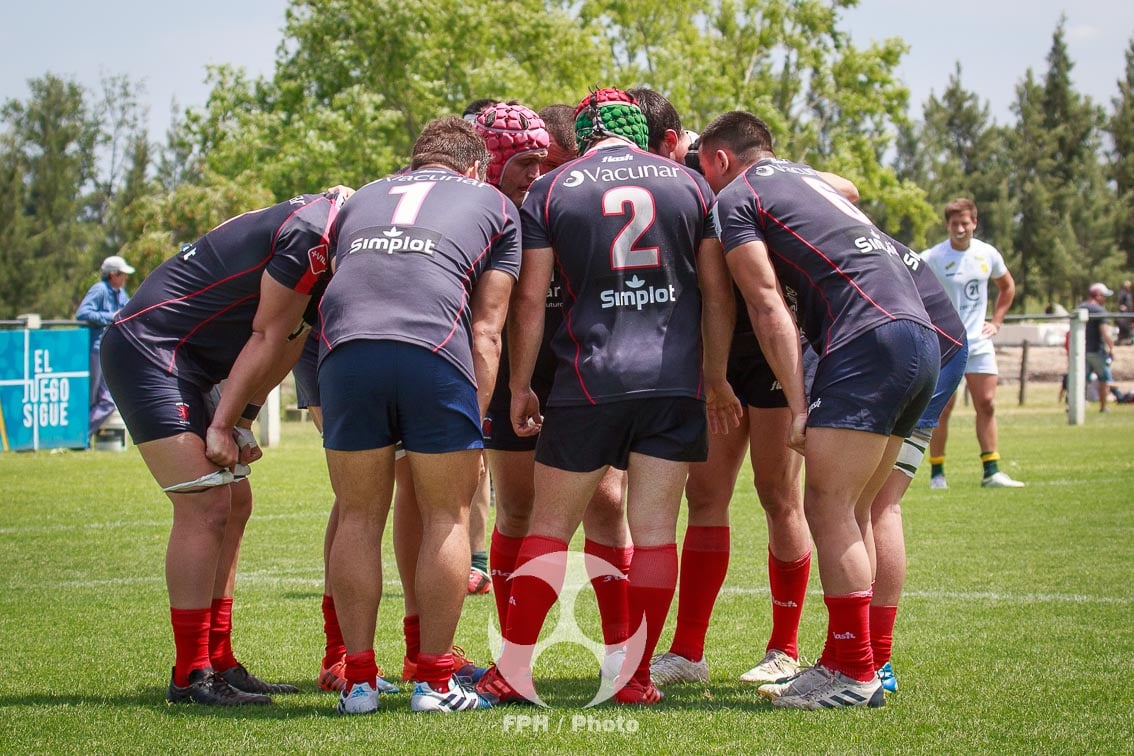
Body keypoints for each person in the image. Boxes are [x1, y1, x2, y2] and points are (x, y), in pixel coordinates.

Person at [474, 87, 740, 707]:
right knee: (653, 534)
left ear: (587, 132)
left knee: (548, 528)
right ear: (639, 130)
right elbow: (718, 294)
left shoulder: (554, 187)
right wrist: (716, 376)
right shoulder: (690, 185)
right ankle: (637, 677)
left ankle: (512, 670)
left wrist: (519, 385)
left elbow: (531, 299)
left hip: (591, 380)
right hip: (675, 382)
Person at [703, 110, 942, 710]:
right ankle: (841, 659)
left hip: (868, 339)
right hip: (920, 334)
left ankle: (856, 674)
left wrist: (800, 400)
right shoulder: (804, 177)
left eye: (702, 165)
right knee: (856, 507)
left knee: (827, 504)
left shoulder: (736, 195)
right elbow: (848, 190)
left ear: (721, 159)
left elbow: (763, 304)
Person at [101, 191, 346, 706]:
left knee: (236, 501)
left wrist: (245, 419)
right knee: (207, 502)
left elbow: (292, 339)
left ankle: (219, 659)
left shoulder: (335, 231)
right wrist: (223, 423)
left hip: (191, 356)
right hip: (154, 348)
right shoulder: (315, 234)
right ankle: (190, 674)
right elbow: (267, 332)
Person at [318, 116, 518, 715]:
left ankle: (358, 682)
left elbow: (348, 281)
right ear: (476, 166)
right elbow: (486, 330)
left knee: (357, 514)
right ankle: (433, 682)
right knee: (447, 517)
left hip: (346, 349)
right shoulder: (495, 202)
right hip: (432, 351)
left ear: (414, 161)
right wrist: (475, 422)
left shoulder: (361, 198)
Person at [630, 90, 829, 690]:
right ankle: (689, 651)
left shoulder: (717, 165)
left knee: (778, 494)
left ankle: (785, 648)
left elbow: (841, 188)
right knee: (706, 497)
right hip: (713, 356)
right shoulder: (659, 180)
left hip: (771, 349)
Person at [473, 101, 633, 655]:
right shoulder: (492, 211)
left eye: (555, 165)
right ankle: (512, 656)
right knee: (517, 506)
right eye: (535, 165)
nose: (545, 180)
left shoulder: (590, 198)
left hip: (582, 369)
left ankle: (620, 652)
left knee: (608, 502)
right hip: (519, 370)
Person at [920, 198, 1024, 488]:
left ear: (974, 223)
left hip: (979, 342)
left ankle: (991, 471)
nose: (961, 229)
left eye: (965, 223)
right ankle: (937, 474)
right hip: (946, 343)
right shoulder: (933, 256)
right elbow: (909, 283)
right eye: (955, 224)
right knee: (942, 408)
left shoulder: (987, 254)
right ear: (947, 226)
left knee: (988, 404)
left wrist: (998, 321)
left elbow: (1007, 286)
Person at [75, 255, 134, 438]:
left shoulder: (120, 293)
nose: (126, 278)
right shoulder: (99, 289)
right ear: (113, 275)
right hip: (95, 349)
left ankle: (80, 437)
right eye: (123, 274)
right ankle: (79, 436)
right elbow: (82, 313)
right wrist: (111, 316)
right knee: (94, 398)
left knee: (106, 400)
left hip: (109, 352)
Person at [1078, 282, 1116, 413]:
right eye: (1104, 296)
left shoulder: (1080, 307)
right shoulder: (1099, 311)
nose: (1105, 299)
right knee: (1104, 379)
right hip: (1097, 351)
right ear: (1098, 295)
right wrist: (1111, 347)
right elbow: (1105, 333)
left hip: (1081, 350)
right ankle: (1103, 407)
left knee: (1080, 379)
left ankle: (1075, 405)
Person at [1115, 280, 1132, 346]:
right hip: (1124, 313)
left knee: (1127, 327)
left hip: (1129, 313)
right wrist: (1121, 306)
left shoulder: (1128, 293)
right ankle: (1122, 340)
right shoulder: (1122, 293)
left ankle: (1127, 340)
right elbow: (1119, 302)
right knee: (1123, 326)